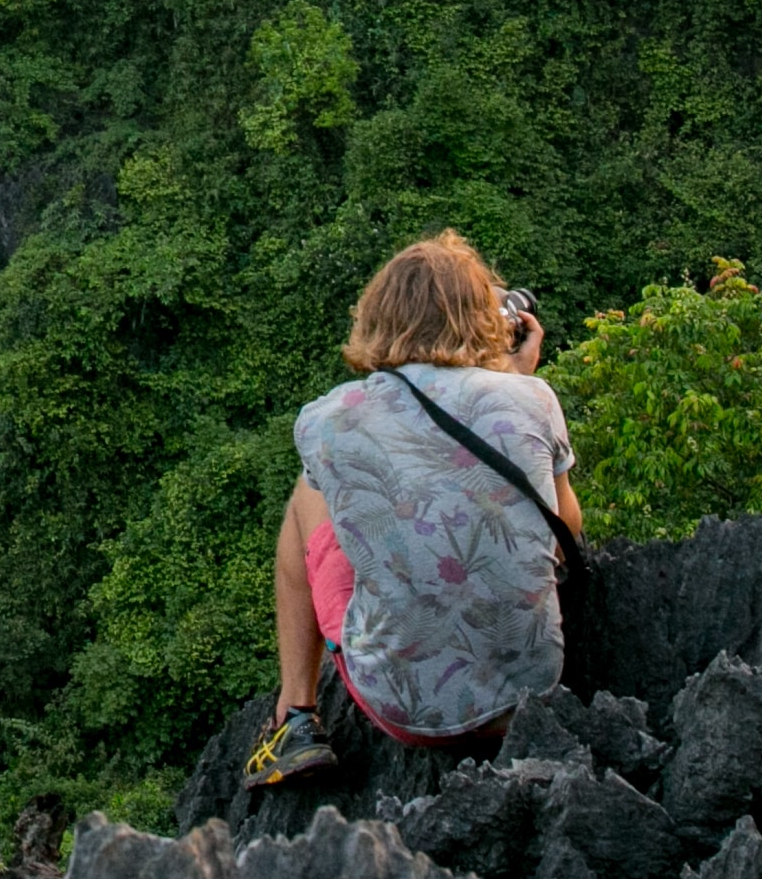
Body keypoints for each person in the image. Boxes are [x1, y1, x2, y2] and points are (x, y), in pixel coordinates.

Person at [246, 230, 581, 783]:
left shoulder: (329, 419)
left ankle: (297, 717)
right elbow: (566, 527)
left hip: (404, 711)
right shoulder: (534, 397)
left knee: (306, 500)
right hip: (530, 693)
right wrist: (514, 379)